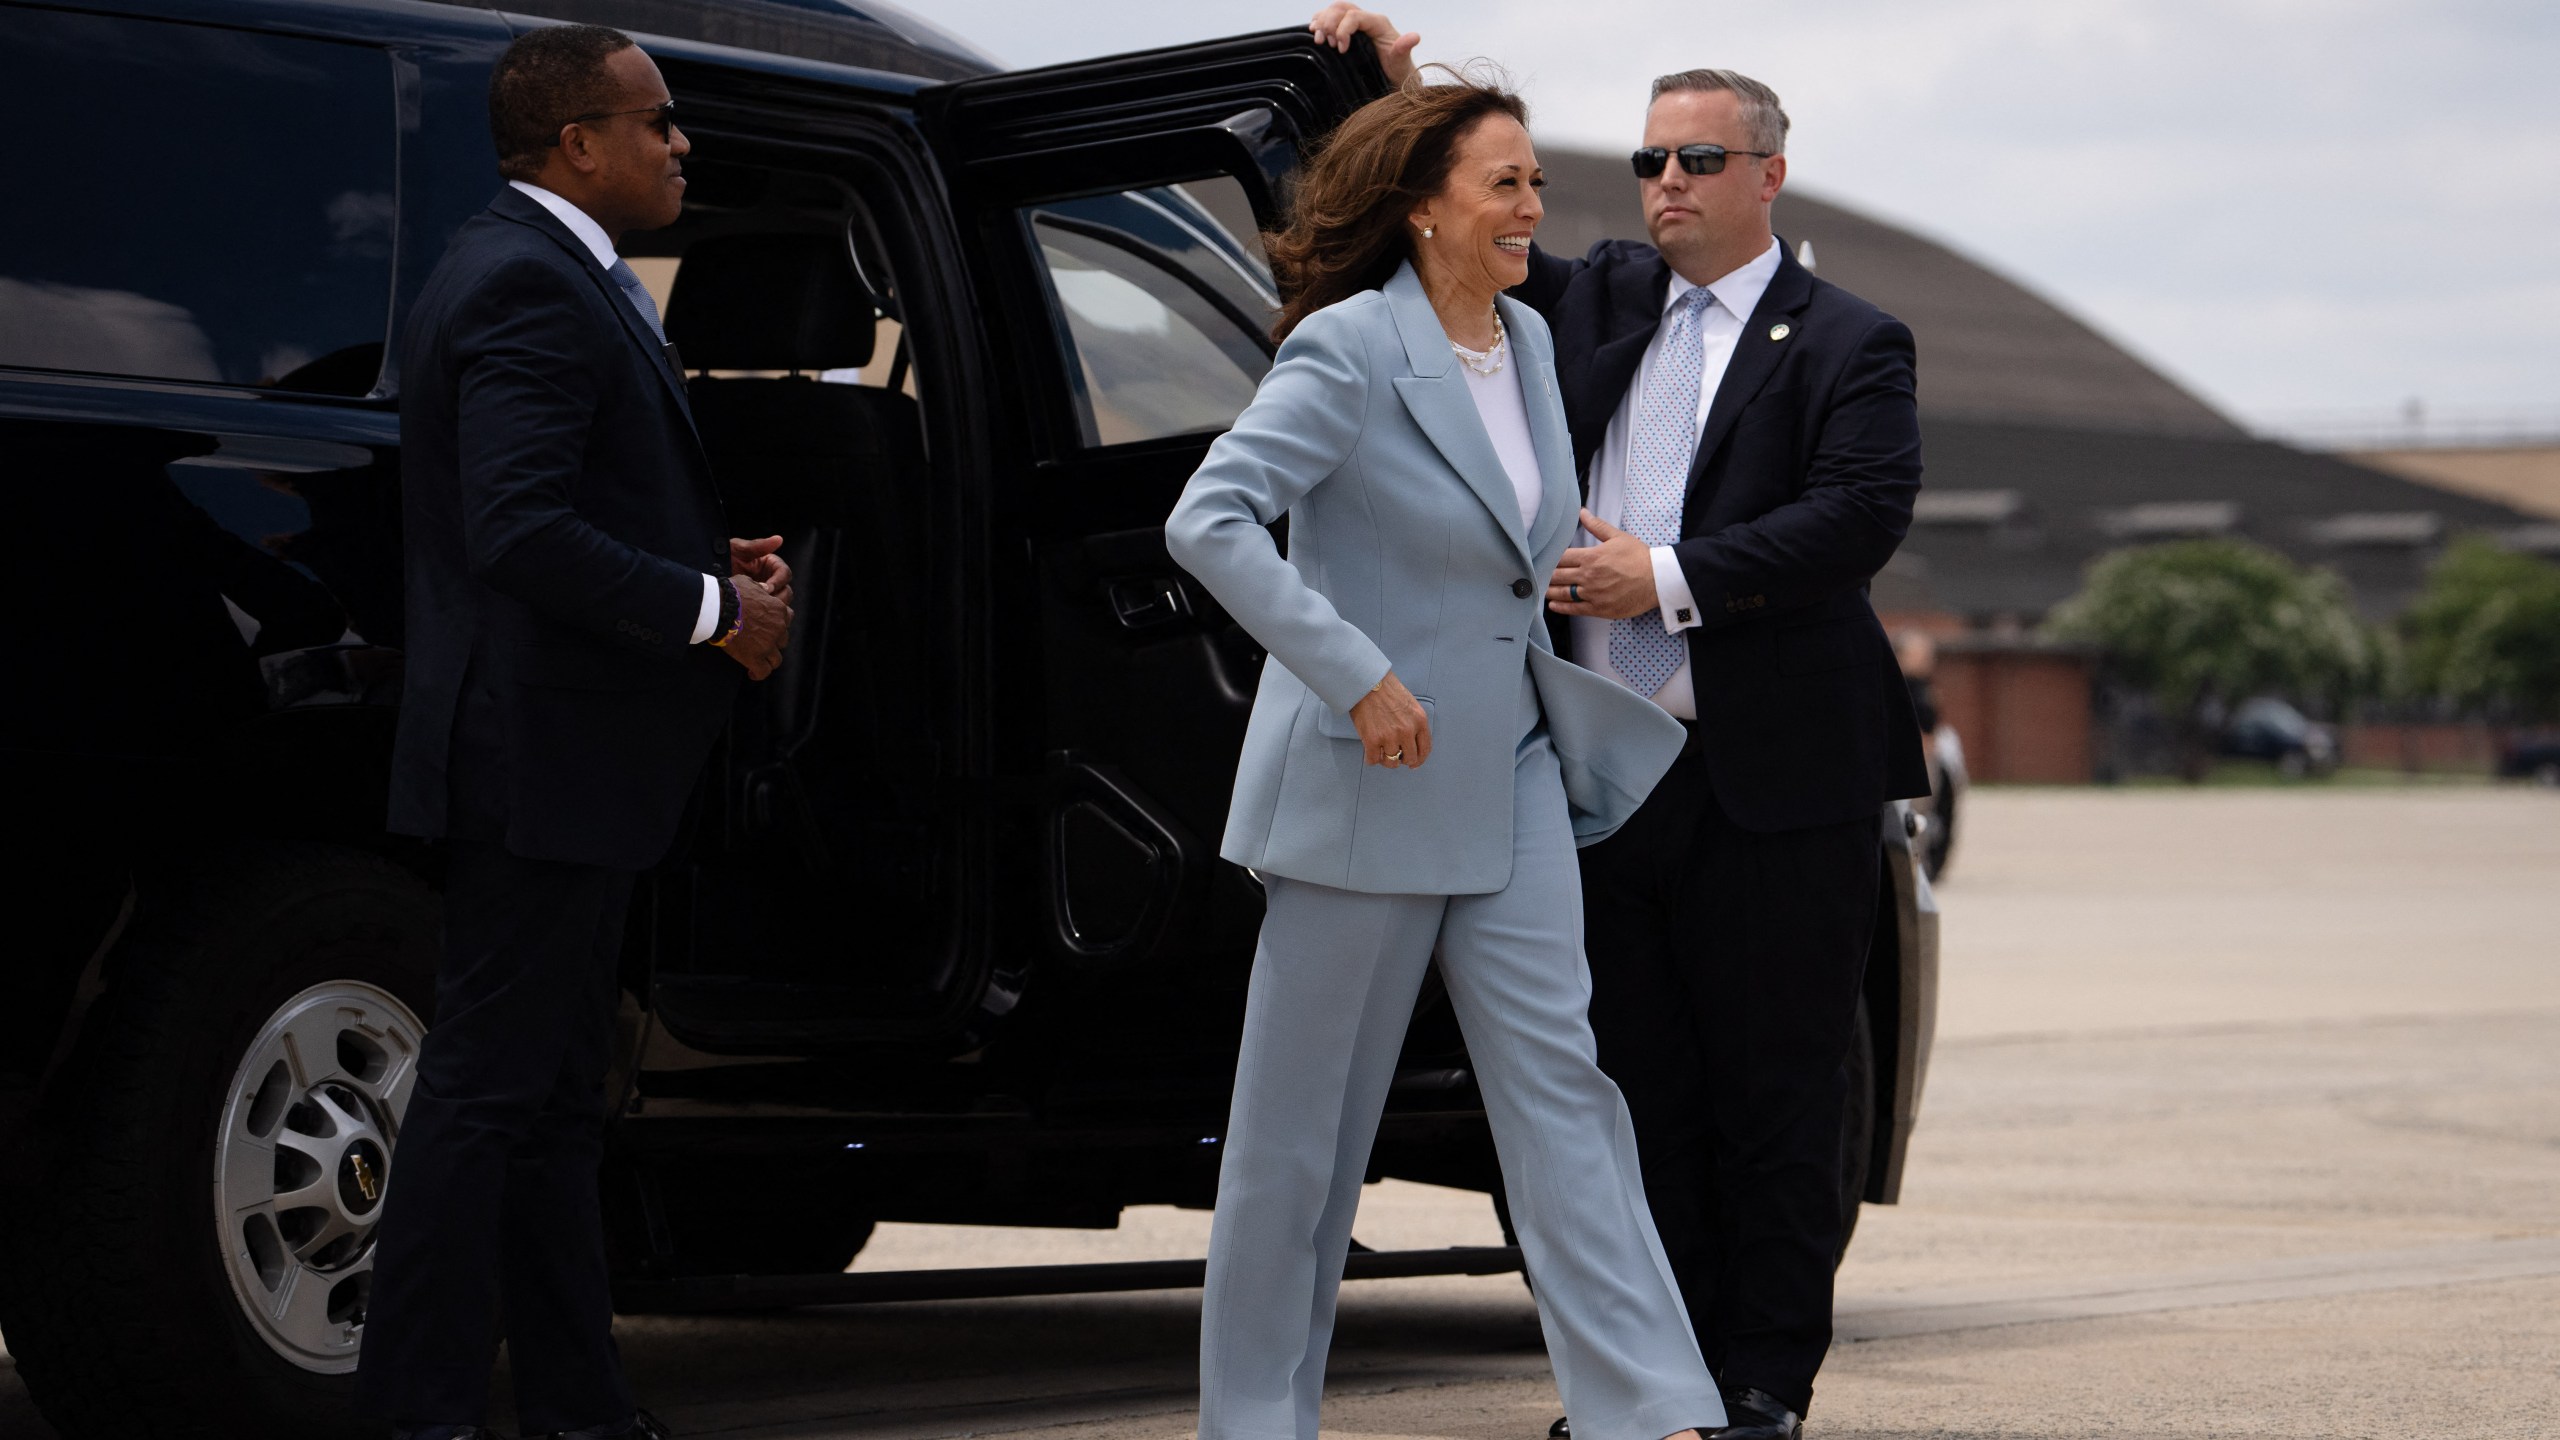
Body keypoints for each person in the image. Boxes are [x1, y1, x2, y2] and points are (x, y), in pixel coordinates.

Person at [1312, 14, 1931, 1440]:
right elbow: (1439, 218)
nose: (1665, 183)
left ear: (1769, 173)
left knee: (1777, 1099)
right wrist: (1389, 89)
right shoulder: (1596, 303)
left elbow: (1859, 517)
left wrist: (1663, 576)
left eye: (1697, 159)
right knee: (1624, 1099)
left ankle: (1762, 1386)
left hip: (1774, 781)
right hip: (1600, 783)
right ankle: (1652, 1392)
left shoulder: (1854, 340)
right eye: (1651, 158)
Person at [1166, 71, 1726, 1440]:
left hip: (1513, 772)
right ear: (1425, 210)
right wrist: (1355, 673)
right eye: (1504, 184)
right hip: (1367, 787)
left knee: (1564, 1097)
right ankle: (1254, 1422)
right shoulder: (1347, 348)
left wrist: (1567, 552)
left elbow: (1496, 531)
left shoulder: (1525, 345)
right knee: (1302, 1146)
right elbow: (1212, 520)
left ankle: (1649, 1411)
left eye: (1536, 179)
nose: (1534, 205)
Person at [359, 25, 793, 1440]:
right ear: (577, 145)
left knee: (544, 1104)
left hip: (564, 766)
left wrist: (692, 551)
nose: (680, 145)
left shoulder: (538, 271)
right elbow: (519, 527)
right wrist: (711, 608)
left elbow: (555, 498)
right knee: (483, 1099)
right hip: (538, 765)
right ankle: (417, 1416)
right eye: (656, 121)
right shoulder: (530, 286)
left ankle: (579, 1409)